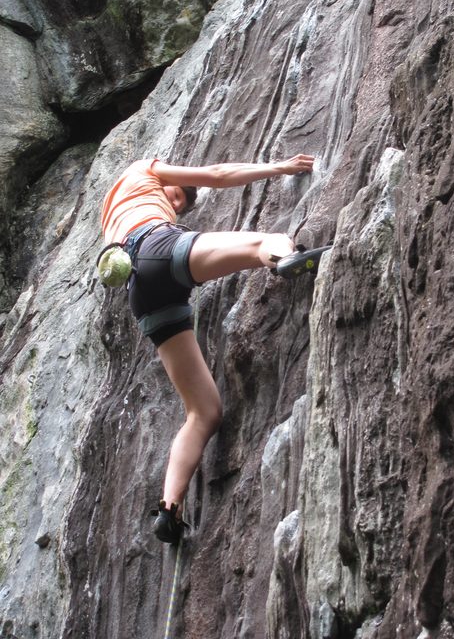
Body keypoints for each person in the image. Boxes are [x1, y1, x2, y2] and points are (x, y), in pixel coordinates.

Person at [100, 154, 316, 543]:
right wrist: (281, 168)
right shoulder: (141, 169)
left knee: (204, 411)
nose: (178, 204)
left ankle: (168, 510)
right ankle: (285, 258)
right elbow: (217, 173)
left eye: (182, 204)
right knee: (265, 241)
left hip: (139, 289)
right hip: (156, 246)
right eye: (178, 195)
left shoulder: (113, 209)